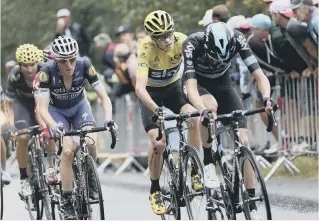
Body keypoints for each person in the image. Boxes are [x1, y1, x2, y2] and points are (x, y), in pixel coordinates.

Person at [182, 22, 276, 220]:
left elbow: (259, 75)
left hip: (223, 84)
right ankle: (208, 162)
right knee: (211, 108)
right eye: (215, 57)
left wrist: (267, 98)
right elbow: (190, 87)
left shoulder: (238, 39)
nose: (218, 61)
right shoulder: (193, 43)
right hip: (198, 85)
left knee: (244, 141)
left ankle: (250, 197)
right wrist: (202, 110)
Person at [34, 35, 114, 219]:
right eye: (63, 61)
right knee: (68, 150)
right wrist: (53, 126)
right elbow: (42, 109)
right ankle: (67, 199)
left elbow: (104, 97)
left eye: (72, 59)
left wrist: (108, 120)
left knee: (91, 141)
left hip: (79, 107)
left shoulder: (84, 65)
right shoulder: (47, 71)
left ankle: (91, 178)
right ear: (56, 60)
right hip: (57, 112)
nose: (69, 65)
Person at [135, 10, 202, 215]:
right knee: (158, 143)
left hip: (173, 89)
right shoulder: (145, 48)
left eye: (170, 33)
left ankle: (195, 170)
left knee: (194, 117)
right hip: (151, 95)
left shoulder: (182, 41)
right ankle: (155, 189)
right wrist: (156, 109)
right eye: (162, 36)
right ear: (153, 39)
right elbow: (140, 88)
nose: (168, 39)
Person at [5, 44, 55, 196]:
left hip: (41, 102)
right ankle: (24, 179)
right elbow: (8, 104)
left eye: (32, 64)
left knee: (50, 130)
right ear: (19, 65)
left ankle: (50, 166)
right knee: (23, 137)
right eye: (25, 65)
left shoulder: (45, 70)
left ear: (38, 62)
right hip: (21, 105)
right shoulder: (14, 75)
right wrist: (11, 125)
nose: (29, 69)